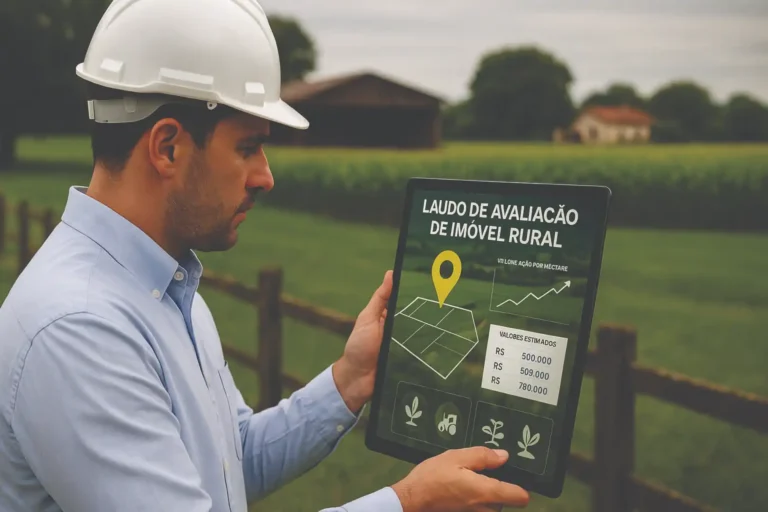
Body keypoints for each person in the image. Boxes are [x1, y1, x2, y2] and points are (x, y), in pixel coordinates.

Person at [0, 0, 531, 510]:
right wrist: (409, 504)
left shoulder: (163, 287)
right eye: (248, 147)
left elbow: (232, 461)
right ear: (168, 147)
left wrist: (350, 380)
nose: (265, 176)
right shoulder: (80, 327)